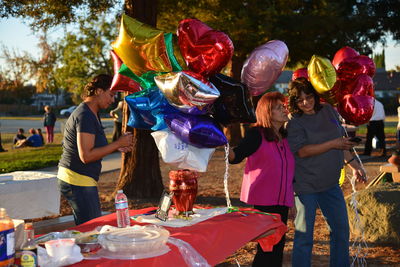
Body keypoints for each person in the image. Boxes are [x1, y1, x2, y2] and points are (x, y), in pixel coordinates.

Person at [286, 78, 366, 267]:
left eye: (309, 96)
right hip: (306, 187)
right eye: (300, 100)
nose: (305, 102)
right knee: (304, 237)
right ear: (294, 102)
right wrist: (333, 144)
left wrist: (355, 166)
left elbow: (341, 143)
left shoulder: (328, 110)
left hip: (331, 185)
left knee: (341, 232)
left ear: (315, 95)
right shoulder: (294, 122)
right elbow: (302, 151)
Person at [228, 92, 294, 267]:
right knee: (267, 247)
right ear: (268, 112)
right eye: (279, 107)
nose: (284, 109)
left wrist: (291, 201)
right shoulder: (256, 134)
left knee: (278, 246)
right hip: (265, 201)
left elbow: (287, 172)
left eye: (283, 105)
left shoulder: (284, 137)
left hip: (282, 200)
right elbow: (236, 155)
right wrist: (222, 143)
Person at [57, 74, 133, 225]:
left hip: (80, 178)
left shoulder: (91, 113)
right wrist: (117, 143)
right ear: (98, 91)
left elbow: (93, 149)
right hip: (77, 178)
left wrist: (116, 146)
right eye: (111, 95)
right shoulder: (85, 115)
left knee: (89, 228)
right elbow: (86, 156)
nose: (112, 100)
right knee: (92, 230)